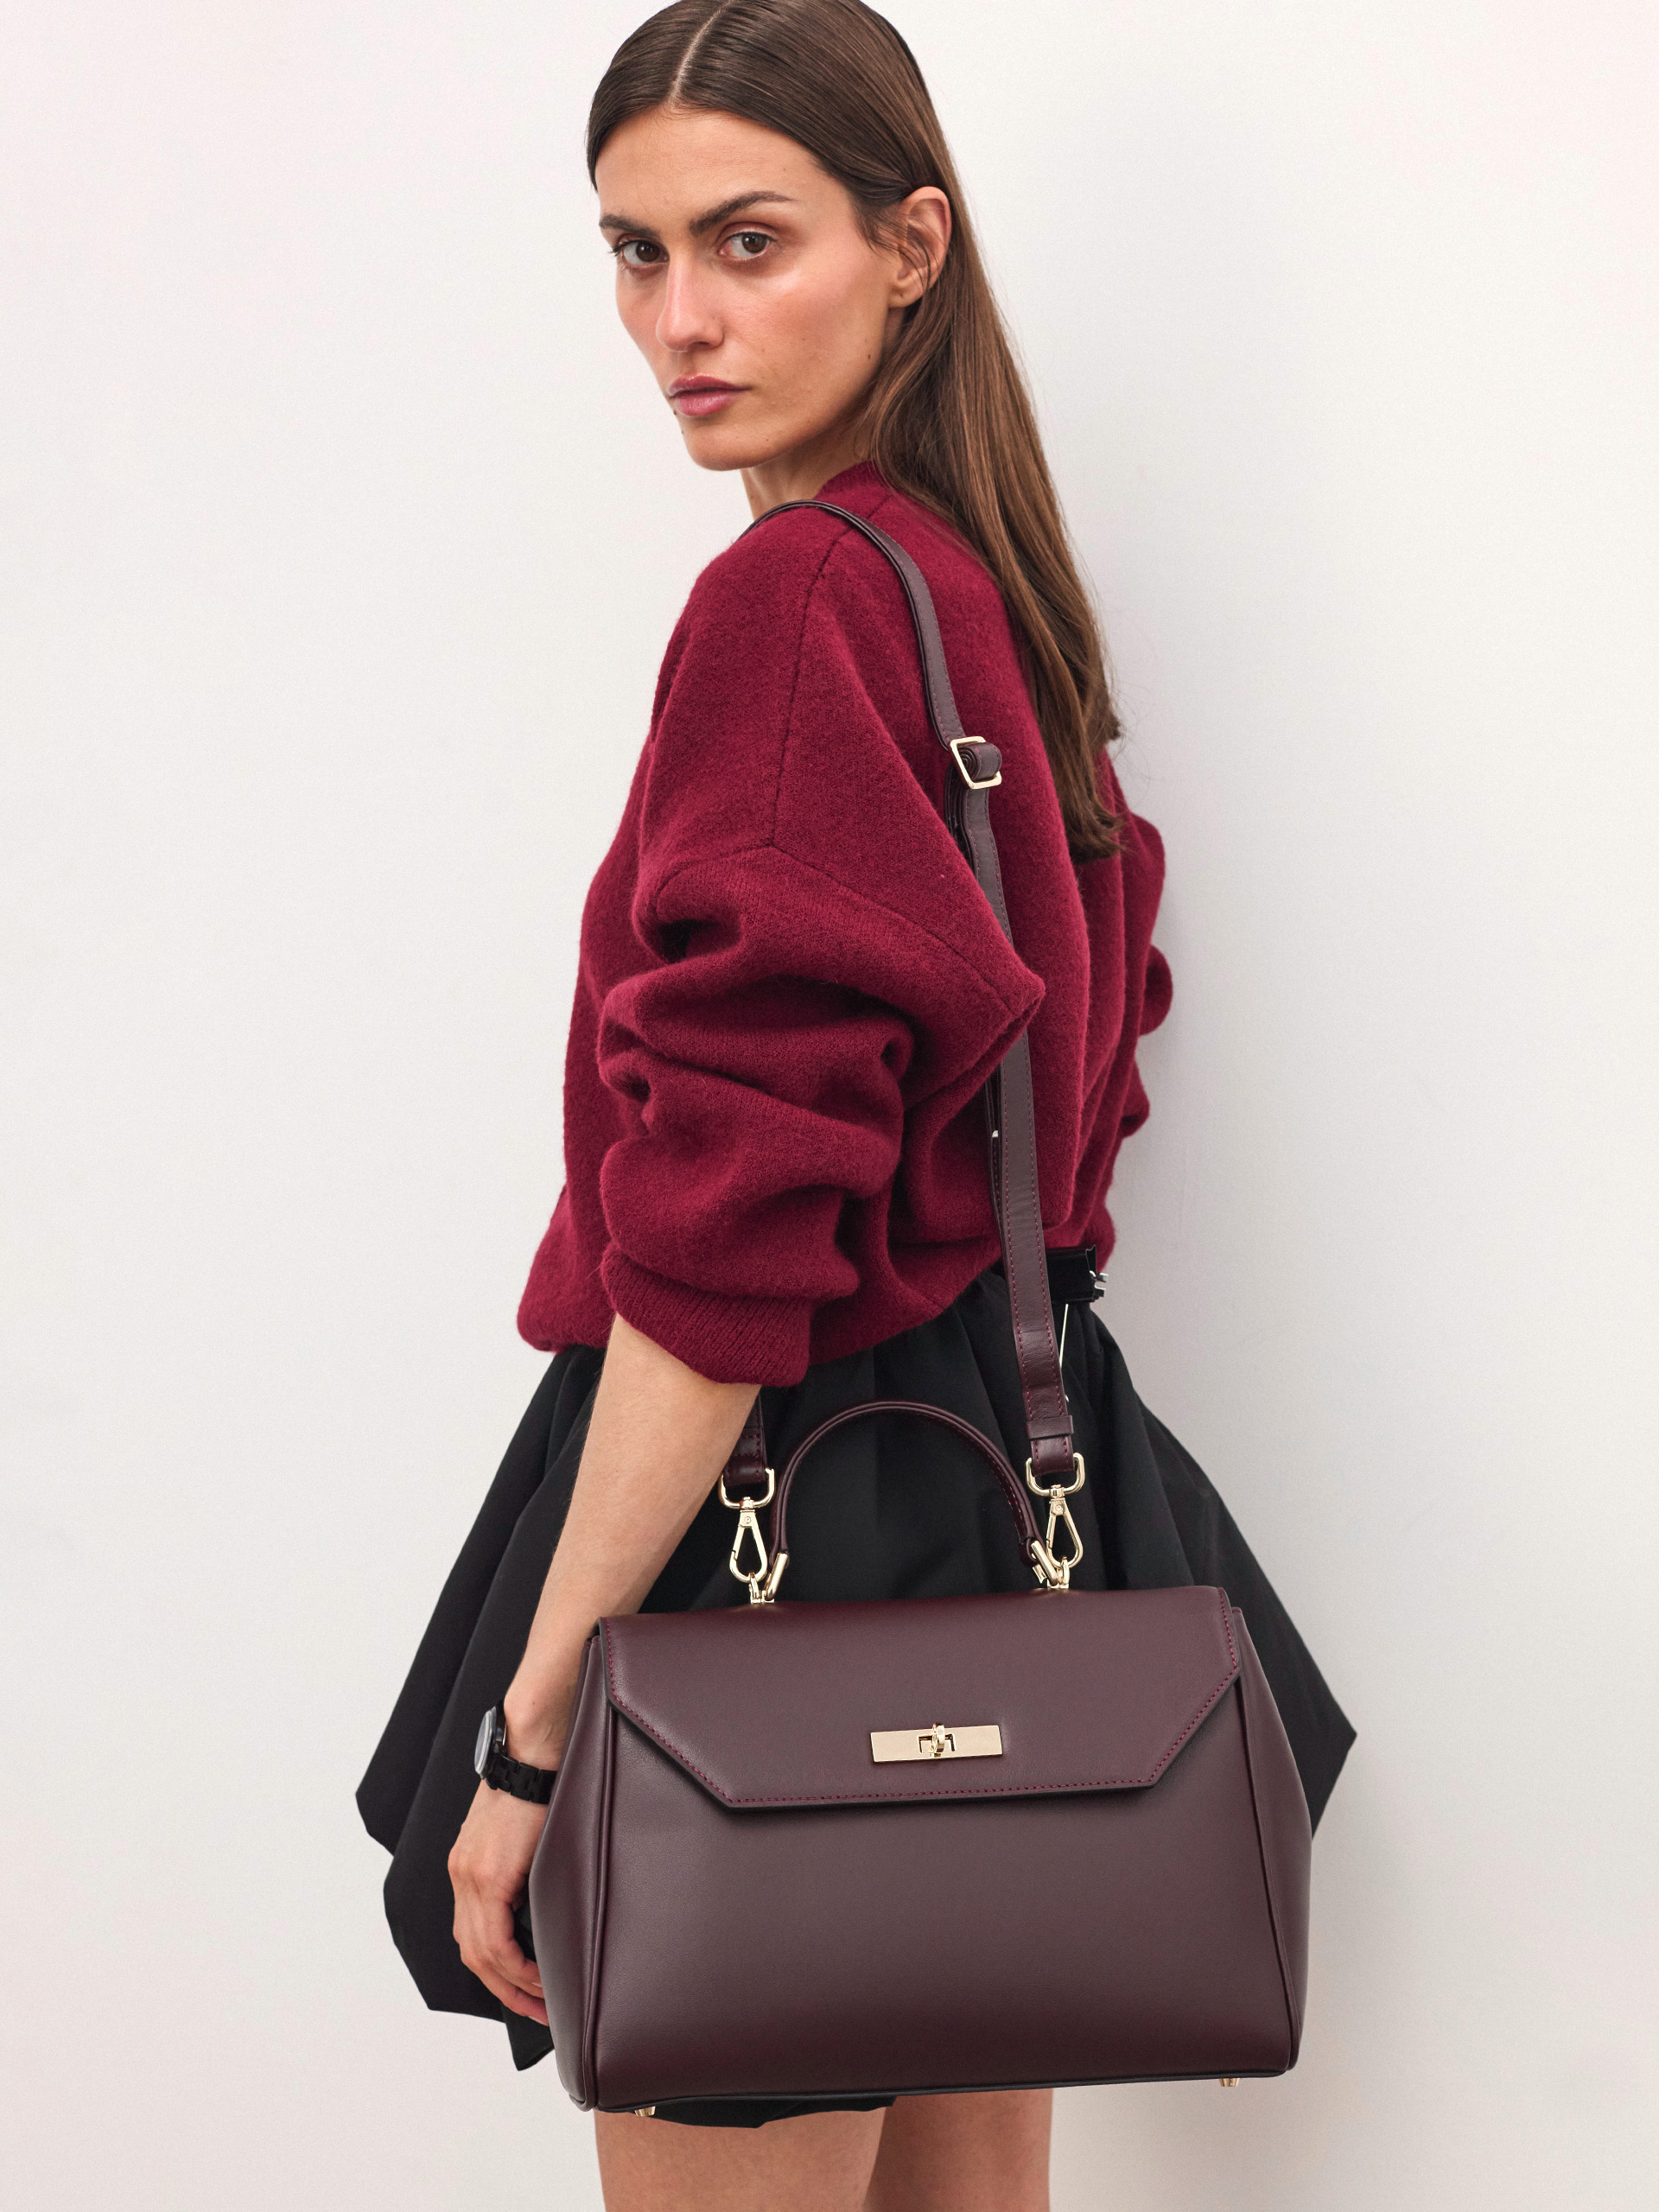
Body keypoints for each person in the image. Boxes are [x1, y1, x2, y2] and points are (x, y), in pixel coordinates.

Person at [357, 4, 1352, 2207]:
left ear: (911, 245)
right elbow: (1074, 1080)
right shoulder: (981, 597)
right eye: (633, 252)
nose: (679, 323)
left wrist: (534, 1726)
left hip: (774, 1511)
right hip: (994, 1500)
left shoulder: (795, 599)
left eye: (747, 240)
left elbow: (724, 1242)